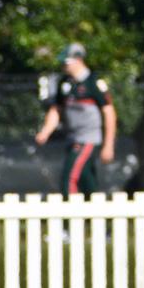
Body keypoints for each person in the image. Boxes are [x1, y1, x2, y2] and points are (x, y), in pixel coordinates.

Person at [35, 43, 117, 196]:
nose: (63, 66)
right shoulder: (65, 83)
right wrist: (45, 132)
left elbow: (109, 112)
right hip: (72, 138)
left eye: (66, 62)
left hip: (88, 139)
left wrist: (108, 145)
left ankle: (69, 216)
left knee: (69, 178)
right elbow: (56, 110)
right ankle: (93, 215)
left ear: (78, 60)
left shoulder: (93, 82)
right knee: (87, 180)